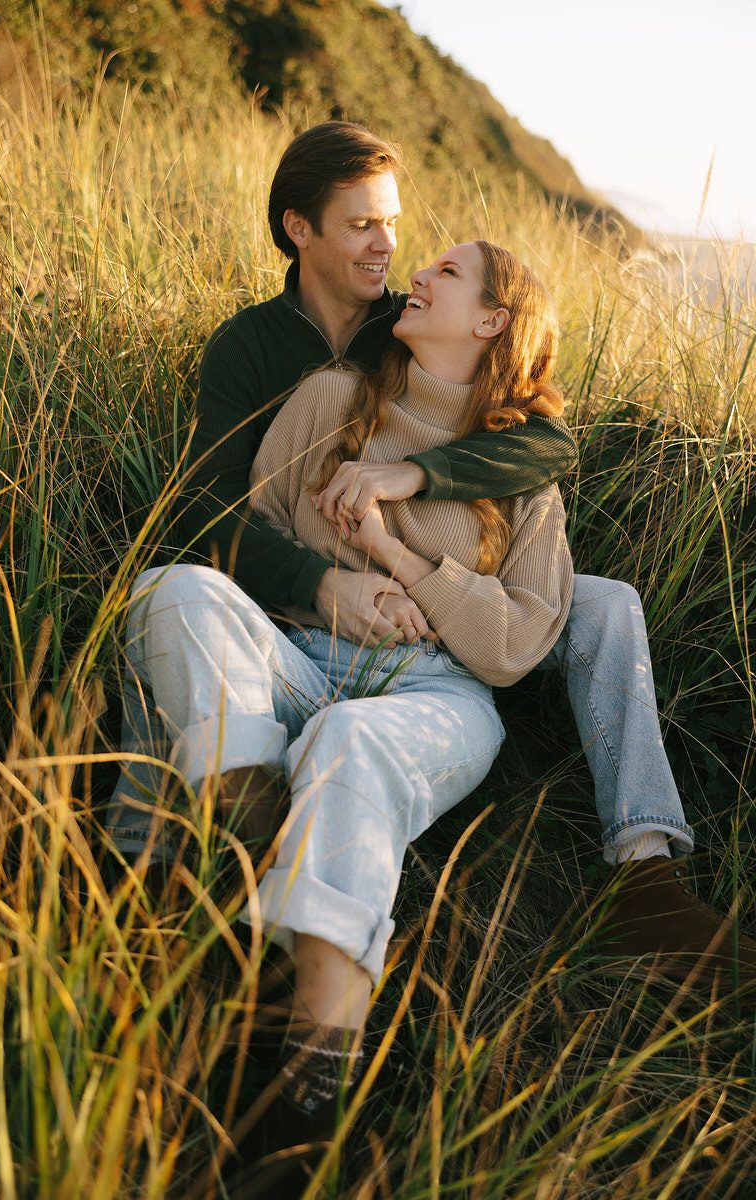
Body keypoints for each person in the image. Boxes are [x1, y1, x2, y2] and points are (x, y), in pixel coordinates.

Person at [106, 121, 755, 999]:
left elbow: (546, 446)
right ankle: (202, 837)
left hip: (450, 588)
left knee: (604, 605)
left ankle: (645, 868)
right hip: (303, 581)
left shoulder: (401, 326)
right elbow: (208, 512)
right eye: (363, 225)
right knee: (175, 603)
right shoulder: (255, 347)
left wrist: (412, 475)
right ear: (300, 230)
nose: (390, 247)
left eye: (393, 223)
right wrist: (328, 581)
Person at [119, 239, 575, 1193]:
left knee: (352, 741)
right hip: (295, 652)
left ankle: (306, 1104)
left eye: (448, 273)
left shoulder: (526, 482)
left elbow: (515, 645)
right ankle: (240, 852)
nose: (421, 273)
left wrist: (407, 568)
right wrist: (335, 583)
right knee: (174, 592)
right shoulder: (332, 399)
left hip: (430, 692)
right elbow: (249, 532)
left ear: (493, 321)